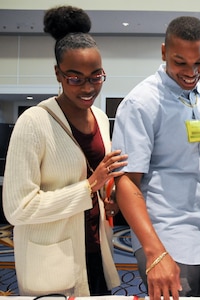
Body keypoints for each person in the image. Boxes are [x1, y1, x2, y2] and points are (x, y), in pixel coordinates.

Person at [2, 5, 128, 296]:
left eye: (96, 77)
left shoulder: (99, 118)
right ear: (58, 74)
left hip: (96, 247)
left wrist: (105, 199)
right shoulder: (33, 122)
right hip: (52, 258)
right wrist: (89, 187)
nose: (87, 87)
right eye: (75, 78)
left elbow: (92, 179)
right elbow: (17, 209)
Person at [112, 16, 200, 300]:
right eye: (180, 62)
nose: (192, 72)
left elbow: (196, 161)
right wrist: (155, 254)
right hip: (169, 241)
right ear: (164, 52)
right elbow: (126, 185)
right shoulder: (141, 103)